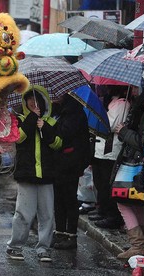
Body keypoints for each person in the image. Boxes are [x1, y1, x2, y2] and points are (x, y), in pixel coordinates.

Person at [6, 85, 62, 262]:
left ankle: (44, 248)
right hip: (26, 173)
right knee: (23, 213)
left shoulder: (51, 122)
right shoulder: (20, 119)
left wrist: (44, 127)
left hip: (47, 175)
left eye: (37, 99)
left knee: (47, 214)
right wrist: (32, 119)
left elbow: (57, 144)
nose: (33, 102)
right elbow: (19, 138)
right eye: (29, 99)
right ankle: (15, 247)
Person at [112, 89, 144, 260]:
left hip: (135, 164)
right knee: (135, 202)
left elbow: (142, 140)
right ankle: (142, 242)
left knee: (122, 200)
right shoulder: (141, 106)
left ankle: (138, 244)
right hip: (135, 163)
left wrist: (123, 131)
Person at [51, 93, 90, 250]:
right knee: (58, 199)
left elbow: (65, 133)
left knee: (69, 199)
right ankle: (59, 232)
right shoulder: (59, 110)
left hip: (71, 162)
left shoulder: (74, 111)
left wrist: (49, 124)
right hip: (59, 162)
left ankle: (71, 235)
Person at [88, 85, 130, 229]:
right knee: (99, 182)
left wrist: (100, 115)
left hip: (110, 150)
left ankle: (112, 215)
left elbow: (109, 124)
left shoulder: (122, 103)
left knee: (107, 183)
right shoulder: (111, 102)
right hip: (100, 150)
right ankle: (102, 209)